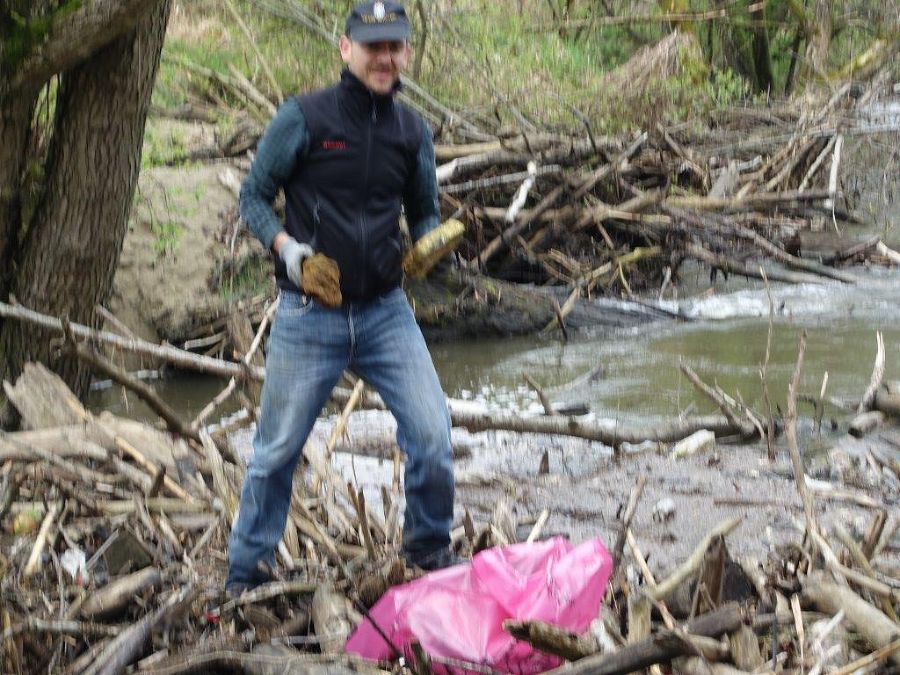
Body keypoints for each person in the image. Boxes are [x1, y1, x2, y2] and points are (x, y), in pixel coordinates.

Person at [227, 0, 457, 593]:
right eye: (372, 45)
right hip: (311, 312)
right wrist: (288, 250)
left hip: (385, 312)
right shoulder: (305, 117)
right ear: (345, 48)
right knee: (276, 451)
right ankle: (245, 574)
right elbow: (253, 196)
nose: (384, 57)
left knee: (432, 436)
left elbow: (424, 207)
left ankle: (429, 554)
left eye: (394, 46)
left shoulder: (412, 130)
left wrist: (430, 240)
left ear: (406, 52)